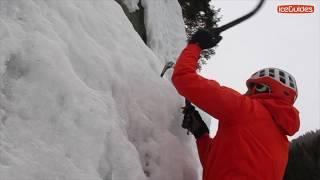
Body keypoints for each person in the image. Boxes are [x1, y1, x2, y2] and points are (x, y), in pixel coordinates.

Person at [172, 29, 300, 180]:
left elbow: (184, 78)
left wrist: (196, 45)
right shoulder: (282, 146)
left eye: (251, 87)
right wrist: (202, 135)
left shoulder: (246, 110)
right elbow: (220, 166)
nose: (246, 92)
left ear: (264, 87)